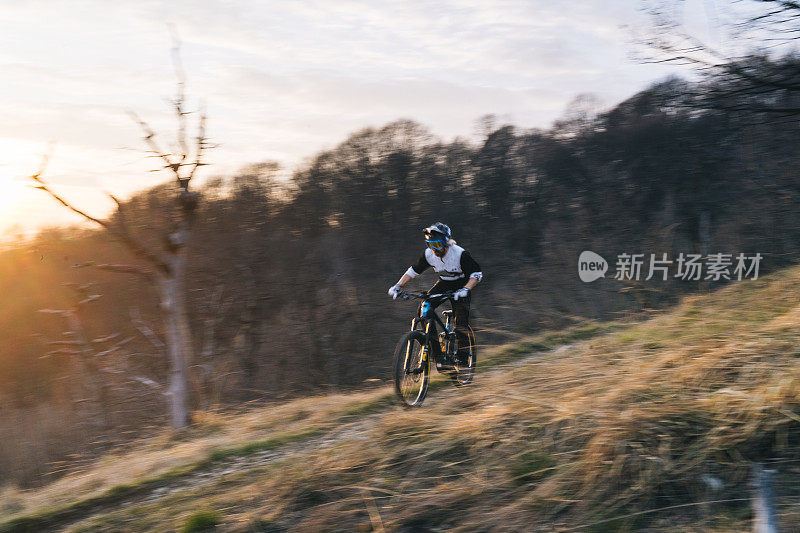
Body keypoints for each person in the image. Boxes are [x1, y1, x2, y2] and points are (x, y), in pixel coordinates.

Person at [388, 222, 482, 362]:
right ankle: (436, 353)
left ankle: (463, 357)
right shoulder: (428, 255)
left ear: (446, 243)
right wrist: (398, 285)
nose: (434, 249)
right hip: (444, 283)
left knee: (460, 322)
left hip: (462, 284)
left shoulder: (460, 254)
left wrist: (465, 289)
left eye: (437, 245)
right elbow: (413, 271)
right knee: (424, 307)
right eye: (430, 245)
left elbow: (477, 274)